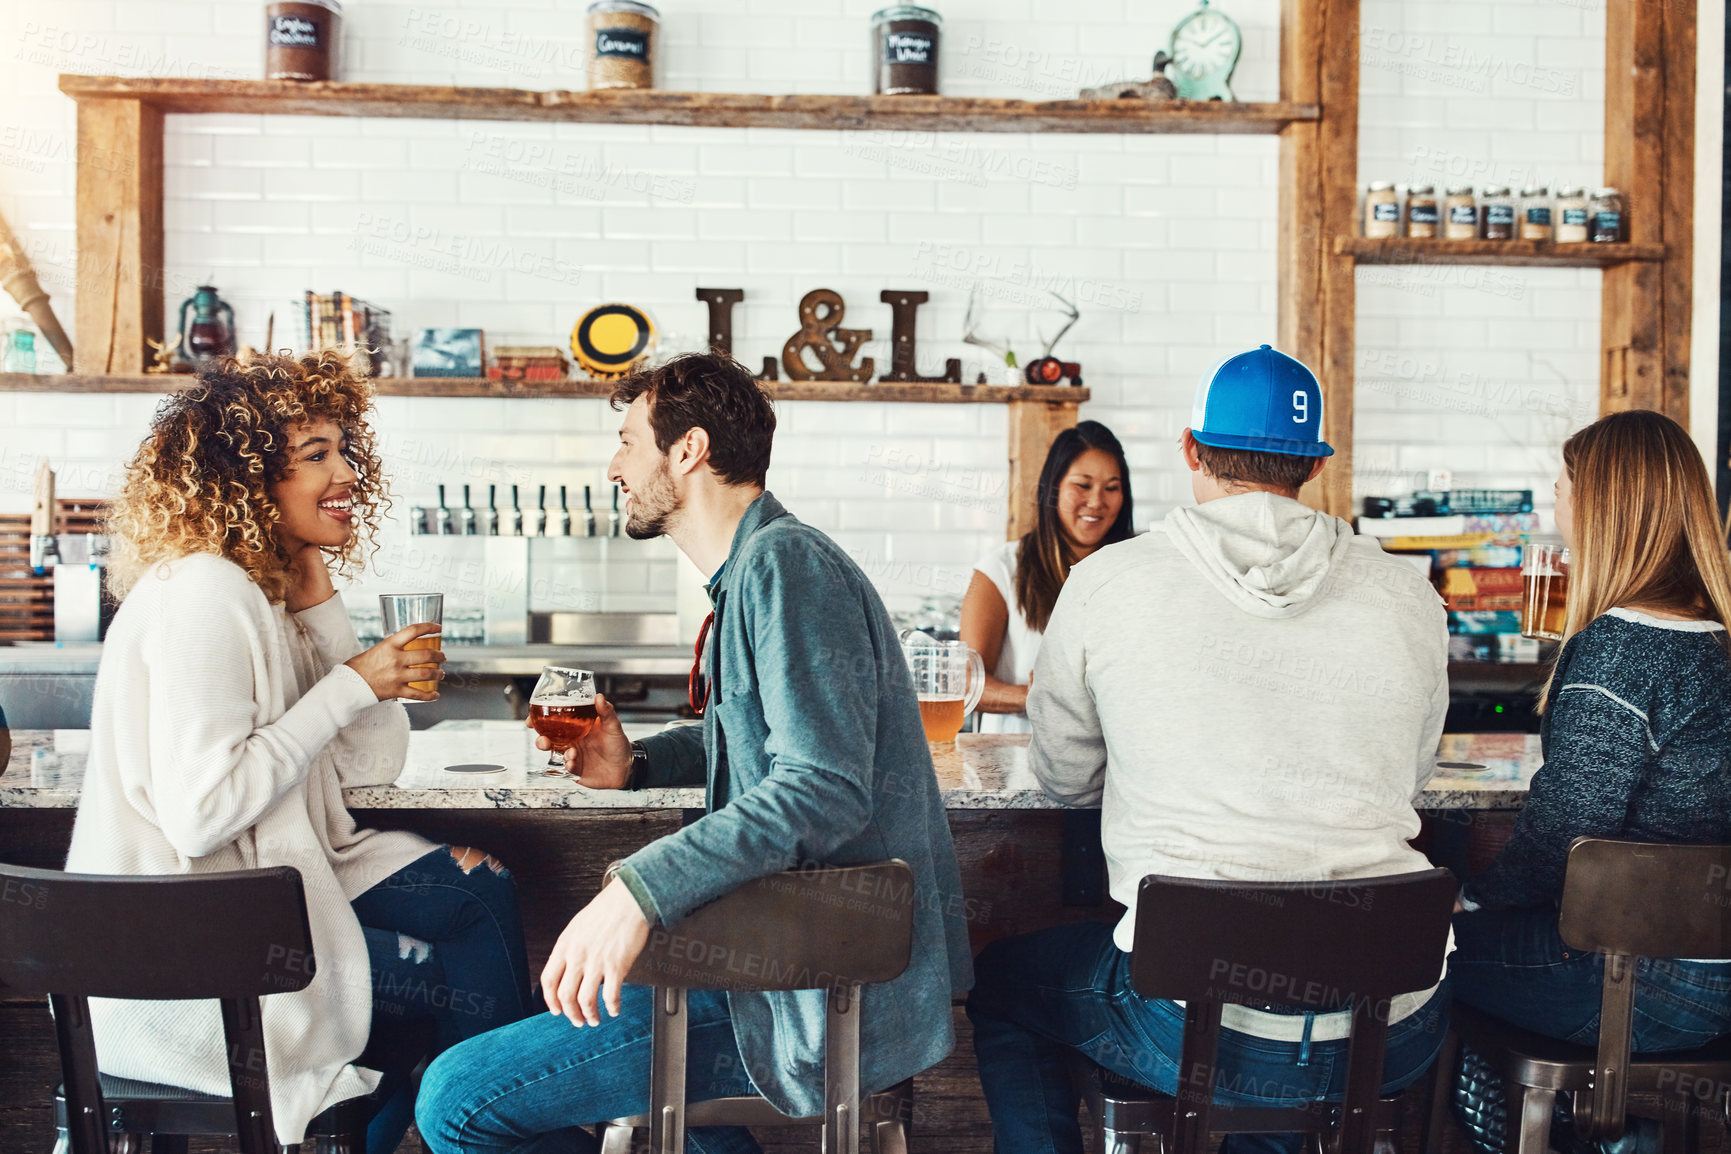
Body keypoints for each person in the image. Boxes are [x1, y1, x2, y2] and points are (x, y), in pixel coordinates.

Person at [415, 352, 973, 1154]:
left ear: (688, 451)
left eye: (626, 442)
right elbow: (758, 737)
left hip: (811, 997)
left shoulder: (785, 566)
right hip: (773, 972)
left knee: (454, 1101)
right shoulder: (755, 568)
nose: (613, 466)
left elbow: (821, 786)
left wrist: (637, 891)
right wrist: (637, 764)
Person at [967, 345, 1453, 1154]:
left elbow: (1063, 774)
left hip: (1194, 1021)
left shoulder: (1108, 583)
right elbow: (1409, 774)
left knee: (1009, 984)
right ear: (1313, 465)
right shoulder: (1407, 592)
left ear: (1191, 451)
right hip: (1393, 1023)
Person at [67, 352, 533, 1153]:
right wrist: (351, 684)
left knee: (478, 892)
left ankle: (484, 1127)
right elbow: (201, 813)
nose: (346, 469)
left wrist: (320, 600)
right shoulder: (205, 596)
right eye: (316, 454)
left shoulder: (259, 590)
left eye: (345, 449)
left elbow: (366, 766)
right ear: (244, 478)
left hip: (247, 903)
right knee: (448, 973)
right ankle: (505, 1131)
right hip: (194, 960)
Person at [1450, 411, 1731, 1138]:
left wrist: (1471, 903)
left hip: (1638, 988)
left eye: (1566, 484)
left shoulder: (1617, 652)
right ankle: (1619, 1136)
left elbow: (1563, 839)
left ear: (1604, 506)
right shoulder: (1718, 646)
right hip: (1714, 980)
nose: (1554, 495)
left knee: (1415, 962)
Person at [960, 421, 1133, 733]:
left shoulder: (1135, 570)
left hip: (1113, 769)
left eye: (1111, 488)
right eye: (1082, 485)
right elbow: (966, 681)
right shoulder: (1000, 570)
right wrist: (1032, 696)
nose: (1096, 502)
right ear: (1053, 489)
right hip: (1012, 769)